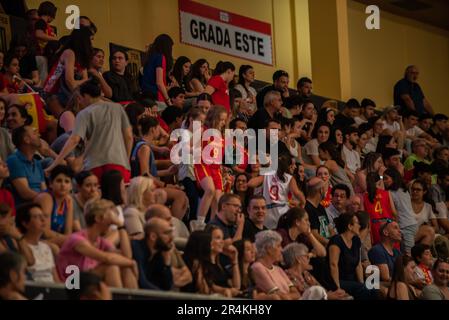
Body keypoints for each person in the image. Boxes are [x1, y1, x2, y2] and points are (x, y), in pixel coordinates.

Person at [46, 77, 133, 183]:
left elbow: (74, 140)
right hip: (120, 165)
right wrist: (126, 160)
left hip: (95, 166)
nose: (79, 101)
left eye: (79, 98)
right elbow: (128, 136)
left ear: (86, 96)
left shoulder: (84, 113)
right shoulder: (117, 108)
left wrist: (54, 165)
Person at [56, 199, 138, 289]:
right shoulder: (77, 239)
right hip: (71, 285)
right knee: (111, 267)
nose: (112, 223)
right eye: (110, 218)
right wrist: (132, 263)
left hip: (86, 282)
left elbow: (127, 256)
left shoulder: (100, 241)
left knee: (126, 267)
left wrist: (121, 226)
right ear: (98, 218)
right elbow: (106, 258)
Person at [327, 213, 378, 300]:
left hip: (352, 279)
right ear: (350, 226)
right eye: (357, 223)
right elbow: (333, 265)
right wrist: (337, 288)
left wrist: (362, 283)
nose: (359, 225)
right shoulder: (336, 241)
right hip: (338, 280)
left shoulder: (356, 240)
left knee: (373, 287)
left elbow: (358, 265)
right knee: (363, 289)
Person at [248, 154, 304, 229]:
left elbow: (250, 183)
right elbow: (297, 193)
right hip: (283, 211)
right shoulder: (289, 177)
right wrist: (302, 203)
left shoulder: (267, 175)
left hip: (268, 212)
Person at [193, 105, 228, 225]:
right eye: (221, 119)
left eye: (224, 120)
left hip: (216, 168)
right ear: (214, 118)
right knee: (210, 190)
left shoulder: (221, 135)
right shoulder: (203, 130)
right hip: (203, 164)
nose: (223, 122)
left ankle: (213, 225)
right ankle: (199, 222)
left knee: (218, 200)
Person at [283, 243, 349, 300]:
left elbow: (322, 290)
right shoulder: (288, 276)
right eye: (307, 256)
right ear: (299, 259)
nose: (309, 259)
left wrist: (335, 294)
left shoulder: (306, 273)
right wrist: (327, 297)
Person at [44, 28, 91, 106]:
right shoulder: (69, 53)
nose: (91, 44)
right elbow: (70, 82)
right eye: (90, 40)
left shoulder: (81, 58)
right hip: (53, 93)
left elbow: (85, 80)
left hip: (69, 93)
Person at [15, 203, 60, 283]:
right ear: (25, 224)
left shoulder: (46, 247)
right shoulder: (21, 247)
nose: (43, 219)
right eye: (36, 217)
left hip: (52, 290)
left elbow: (55, 277)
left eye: (43, 216)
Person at [251, 230, 300, 300]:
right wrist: (289, 296)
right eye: (278, 246)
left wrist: (288, 296)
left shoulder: (278, 269)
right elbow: (277, 294)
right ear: (268, 249)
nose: (282, 250)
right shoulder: (258, 267)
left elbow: (297, 294)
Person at [131, 217, 176, 290]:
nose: (172, 237)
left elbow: (167, 286)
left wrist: (166, 262)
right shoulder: (136, 249)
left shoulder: (159, 253)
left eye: (171, 232)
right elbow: (142, 283)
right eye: (167, 233)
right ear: (153, 236)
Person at [34, 165, 74, 246]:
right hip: (38, 240)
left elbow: (68, 231)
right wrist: (66, 239)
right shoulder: (46, 198)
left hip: (56, 241)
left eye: (67, 181)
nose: (63, 185)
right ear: (51, 184)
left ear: (71, 186)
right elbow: (45, 232)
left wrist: (67, 239)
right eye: (59, 181)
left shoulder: (69, 201)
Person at [7, 125, 47, 204]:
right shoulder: (14, 160)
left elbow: (43, 188)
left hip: (40, 204)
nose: (39, 135)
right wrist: (46, 199)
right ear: (26, 140)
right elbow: (25, 192)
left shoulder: (37, 163)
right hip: (25, 208)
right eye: (35, 133)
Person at [383, 168, 418, 254]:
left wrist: (396, 226)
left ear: (393, 178)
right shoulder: (404, 190)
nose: (384, 181)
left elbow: (394, 212)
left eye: (386, 178)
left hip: (404, 226)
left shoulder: (389, 193)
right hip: (413, 223)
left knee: (408, 255)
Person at [363, 172, 396, 246]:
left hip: (375, 229)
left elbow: (364, 216)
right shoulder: (387, 193)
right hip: (388, 226)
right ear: (379, 181)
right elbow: (394, 212)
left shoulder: (364, 197)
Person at [141, 34, 174, 103]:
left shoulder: (150, 57)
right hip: (155, 96)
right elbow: (159, 83)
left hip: (146, 94)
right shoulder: (160, 57)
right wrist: (168, 100)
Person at [305, 177, 335, 247]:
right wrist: (330, 244)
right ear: (321, 190)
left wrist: (336, 241)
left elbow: (329, 228)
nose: (326, 192)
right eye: (325, 189)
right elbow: (314, 233)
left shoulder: (320, 207)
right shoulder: (307, 208)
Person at [411, 179, 439, 246]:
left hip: (418, 235)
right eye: (413, 189)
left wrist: (425, 227)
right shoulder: (405, 203)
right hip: (405, 234)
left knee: (430, 231)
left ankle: (420, 254)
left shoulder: (428, 206)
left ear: (424, 192)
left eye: (418, 190)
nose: (414, 191)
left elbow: (436, 228)